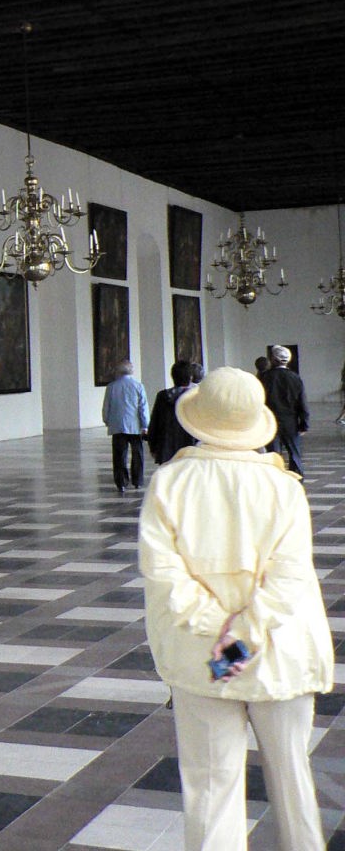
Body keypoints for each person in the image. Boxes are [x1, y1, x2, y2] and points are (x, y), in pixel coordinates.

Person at [139, 366, 333, 851]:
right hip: (278, 652)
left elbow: (163, 576)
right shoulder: (283, 487)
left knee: (210, 790)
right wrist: (244, 634)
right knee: (293, 783)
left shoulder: (169, 483)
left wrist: (219, 633)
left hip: (203, 658)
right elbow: (289, 578)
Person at [260, 344, 309, 476]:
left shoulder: (265, 377)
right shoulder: (295, 377)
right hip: (290, 422)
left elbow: (260, 401)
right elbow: (302, 403)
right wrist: (304, 424)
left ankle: (275, 479)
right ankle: (297, 480)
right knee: (294, 454)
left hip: (270, 422)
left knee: (274, 455)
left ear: (273, 359)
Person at [102, 360, 149, 492]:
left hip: (117, 425)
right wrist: (145, 425)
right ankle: (137, 480)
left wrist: (107, 420)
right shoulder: (138, 386)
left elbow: (106, 406)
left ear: (118, 371)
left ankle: (121, 482)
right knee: (137, 453)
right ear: (131, 371)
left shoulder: (111, 386)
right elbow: (143, 407)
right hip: (135, 425)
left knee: (119, 455)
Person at [147, 360, 203, 465]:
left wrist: (153, 447)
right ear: (191, 377)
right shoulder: (196, 397)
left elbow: (155, 423)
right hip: (191, 446)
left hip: (167, 447)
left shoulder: (162, 396)